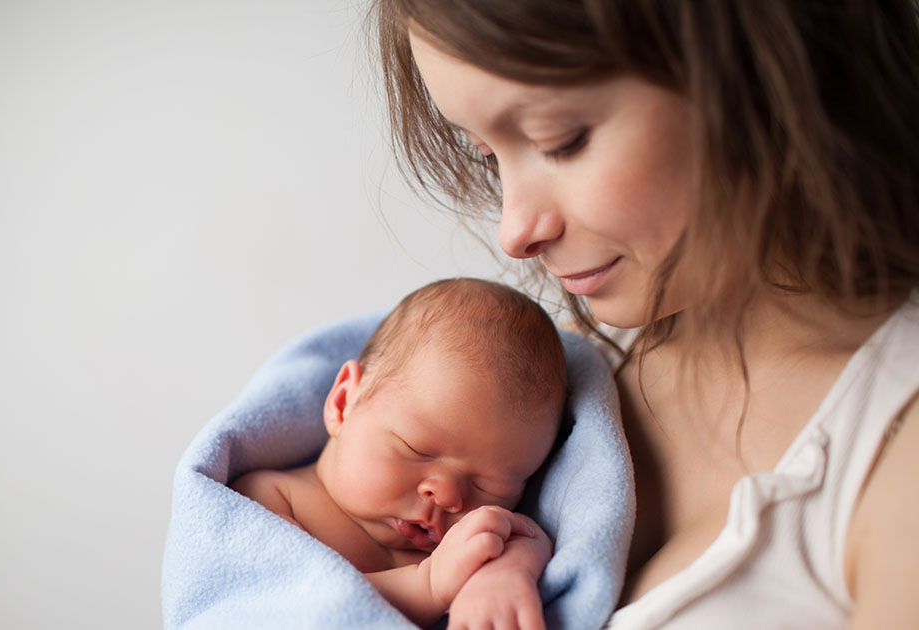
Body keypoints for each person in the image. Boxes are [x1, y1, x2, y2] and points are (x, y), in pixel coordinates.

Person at [370, 1, 919, 628]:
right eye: (488, 155)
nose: (513, 231)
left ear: (756, 71)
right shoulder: (543, 379)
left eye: (560, 140)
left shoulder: (896, 453)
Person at [232, 277, 566, 628]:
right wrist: (427, 585)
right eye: (418, 449)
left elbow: (526, 537)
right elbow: (286, 605)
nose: (448, 495)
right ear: (344, 403)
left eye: (489, 485)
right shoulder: (267, 497)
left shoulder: (461, 543)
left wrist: (503, 576)